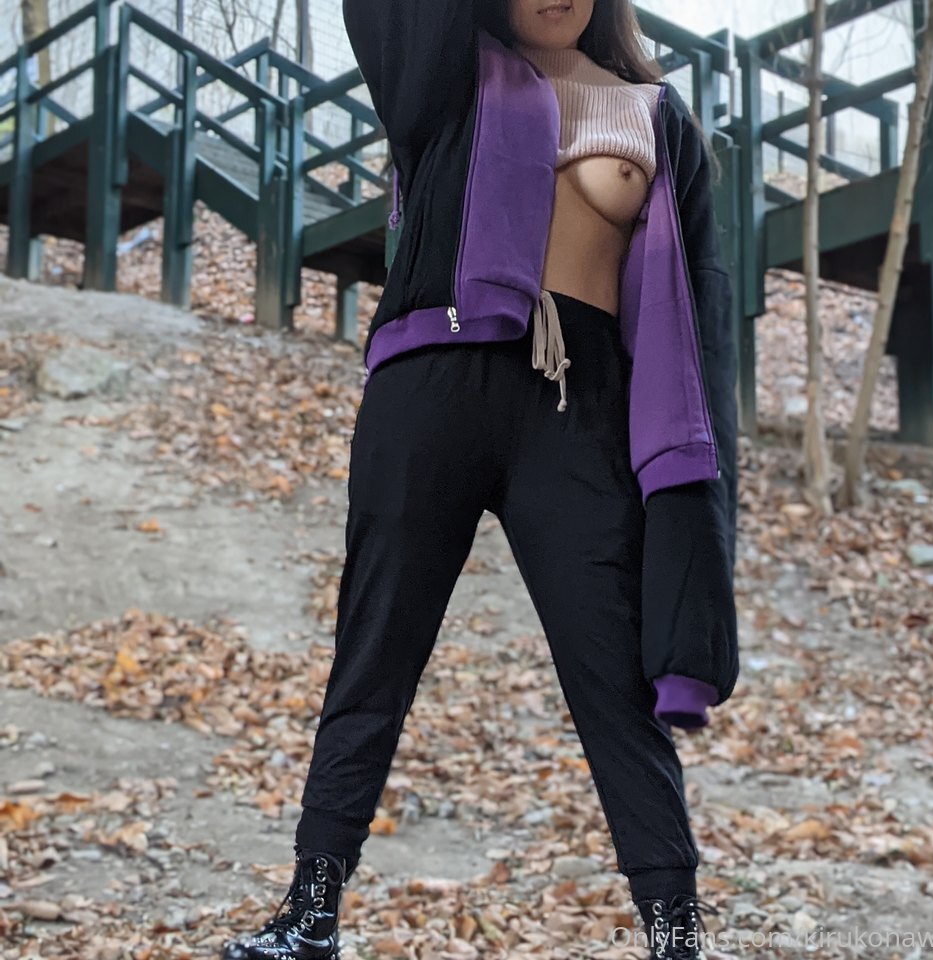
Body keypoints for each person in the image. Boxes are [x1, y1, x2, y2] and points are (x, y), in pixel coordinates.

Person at [221, 1, 739, 958]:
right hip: (435, 381)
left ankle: (676, 930)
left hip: (578, 406)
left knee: (612, 664)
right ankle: (311, 908)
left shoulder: (657, 114)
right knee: (377, 642)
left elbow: (696, 309)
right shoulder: (444, 77)